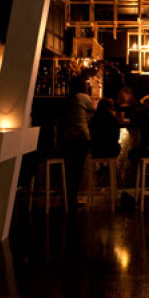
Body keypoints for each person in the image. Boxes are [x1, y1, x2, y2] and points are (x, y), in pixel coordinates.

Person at [61, 78, 94, 209]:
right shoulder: (84, 98)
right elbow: (93, 114)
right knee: (78, 169)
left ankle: (68, 198)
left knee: (70, 169)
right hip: (81, 137)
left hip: (68, 138)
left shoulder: (68, 99)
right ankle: (73, 198)